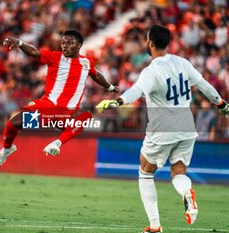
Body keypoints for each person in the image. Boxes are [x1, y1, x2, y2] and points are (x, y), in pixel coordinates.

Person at [96, 25, 229, 233]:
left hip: (162, 129)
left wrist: (117, 102)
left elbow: (137, 91)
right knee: (178, 172)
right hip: (186, 127)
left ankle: (155, 226)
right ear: (167, 43)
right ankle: (187, 193)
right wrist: (221, 104)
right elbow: (204, 85)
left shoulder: (152, 71)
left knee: (146, 173)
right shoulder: (182, 63)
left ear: (149, 43)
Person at [0, 30, 118, 166]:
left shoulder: (86, 62)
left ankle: (57, 143)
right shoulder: (55, 57)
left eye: (69, 43)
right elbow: (34, 52)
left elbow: (96, 75)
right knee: (12, 125)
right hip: (46, 110)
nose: (65, 46)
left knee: (85, 117)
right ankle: (7, 149)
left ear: (79, 45)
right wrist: (18, 43)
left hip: (65, 116)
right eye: (63, 43)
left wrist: (110, 87)